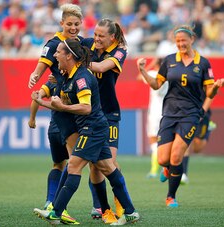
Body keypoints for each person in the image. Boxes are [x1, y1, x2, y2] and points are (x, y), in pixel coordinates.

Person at [33, 38, 139, 225]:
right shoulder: (68, 75)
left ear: (69, 56)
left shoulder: (82, 78)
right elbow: (60, 100)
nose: (55, 55)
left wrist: (61, 107)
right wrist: (43, 101)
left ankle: (56, 212)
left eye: (58, 52)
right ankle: (130, 212)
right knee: (107, 168)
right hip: (90, 127)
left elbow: (86, 108)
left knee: (73, 165)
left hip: (93, 128)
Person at [137, 24, 224, 207]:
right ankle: (167, 169)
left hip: (190, 115)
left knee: (176, 157)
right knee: (163, 159)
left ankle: (171, 196)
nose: (180, 44)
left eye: (183, 41)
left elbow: (209, 93)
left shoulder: (203, 63)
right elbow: (156, 85)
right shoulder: (169, 61)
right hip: (169, 113)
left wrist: (216, 87)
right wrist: (143, 71)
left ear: (192, 40)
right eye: (177, 41)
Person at [28, 3, 100, 223]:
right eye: (69, 24)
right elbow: (42, 66)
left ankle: (90, 206)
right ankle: (56, 205)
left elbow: (102, 47)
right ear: (62, 23)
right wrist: (36, 74)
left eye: (77, 24)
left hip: (74, 108)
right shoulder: (54, 44)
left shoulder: (83, 43)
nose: (73, 27)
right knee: (71, 162)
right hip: (65, 109)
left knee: (79, 162)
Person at [81, 18, 130, 219]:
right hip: (89, 113)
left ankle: (121, 203)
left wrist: (79, 61)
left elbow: (100, 68)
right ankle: (100, 206)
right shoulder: (86, 45)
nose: (97, 39)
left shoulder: (120, 51)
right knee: (95, 164)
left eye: (101, 36)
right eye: (95, 35)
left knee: (109, 161)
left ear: (113, 37)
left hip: (109, 113)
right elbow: (64, 48)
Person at [28, 80, 73, 222]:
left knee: (58, 165)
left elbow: (36, 97)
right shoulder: (76, 79)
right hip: (70, 130)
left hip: (54, 130)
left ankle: (49, 202)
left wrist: (32, 119)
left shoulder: (52, 81)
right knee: (75, 166)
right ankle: (61, 207)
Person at [137, 58, 168, 178]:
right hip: (168, 110)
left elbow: (140, 77)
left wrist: (151, 64)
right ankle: (166, 167)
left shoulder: (154, 74)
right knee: (166, 140)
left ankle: (154, 170)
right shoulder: (170, 75)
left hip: (155, 112)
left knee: (154, 141)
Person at [181, 98, 215, 184]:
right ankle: (183, 174)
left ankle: (208, 129)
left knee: (197, 149)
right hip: (186, 112)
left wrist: (202, 112)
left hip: (202, 113)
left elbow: (212, 93)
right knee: (185, 141)